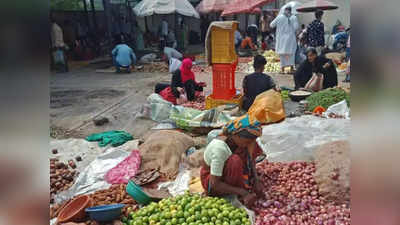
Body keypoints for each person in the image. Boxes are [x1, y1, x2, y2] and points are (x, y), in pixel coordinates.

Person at [200, 126, 264, 206]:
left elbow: (251, 160)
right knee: (235, 161)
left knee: (248, 150)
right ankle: (230, 192)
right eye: (247, 142)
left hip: (226, 173)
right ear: (236, 135)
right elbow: (214, 184)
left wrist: (256, 180)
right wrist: (243, 192)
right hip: (212, 181)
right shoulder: (219, 148)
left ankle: (238, 186)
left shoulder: (239, 142)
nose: (248, 144)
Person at [270, 6, 299, 74]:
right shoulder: (294, 17)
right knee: (291, 54)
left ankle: (282, 70)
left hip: (281, 39)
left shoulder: (279, 17)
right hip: (290, 39)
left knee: (282, 55)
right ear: (291, 10)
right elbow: (296, 27)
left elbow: (271, 25)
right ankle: (291, 69)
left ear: (284, 10)